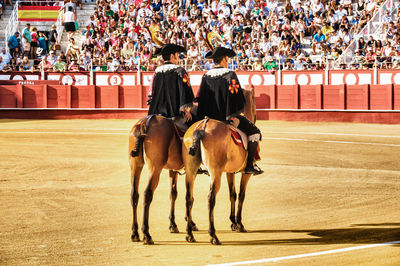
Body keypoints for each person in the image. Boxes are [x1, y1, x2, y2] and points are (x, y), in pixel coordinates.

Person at [196, 46, 263, 175]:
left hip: (208, 118)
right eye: (227, 59)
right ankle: (249, 165)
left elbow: (201, 97)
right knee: (254, 132)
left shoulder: (205, 76)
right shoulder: (230, 74)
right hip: (225, 117)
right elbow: (235, 95)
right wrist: (235, 113)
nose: (228, 61)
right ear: (224, 60)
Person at [147, 43, 195, 129]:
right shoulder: (180, 71)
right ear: (172, 56)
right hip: (175, 114)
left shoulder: (156, 72)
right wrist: (187, 111)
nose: (178, 57)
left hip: (157, 113)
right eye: (177, 55)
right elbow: (185, 92)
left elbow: (151, 92)